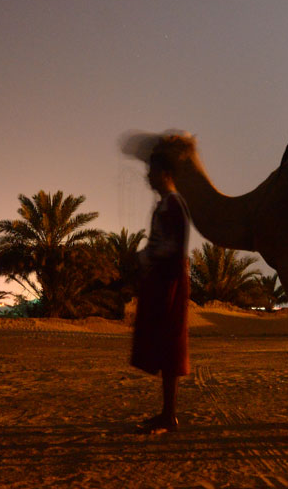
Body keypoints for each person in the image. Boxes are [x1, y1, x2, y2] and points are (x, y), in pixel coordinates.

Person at [130, 151, 191, 434]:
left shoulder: (173, 204)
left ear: (165, 174)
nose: (147, 176)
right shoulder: (167, 204)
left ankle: (170, 415)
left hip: (170, 282)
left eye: (152, 171)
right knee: (165, 347)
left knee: (169, 347)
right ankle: (167, 413)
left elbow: (172, 248)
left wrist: (146, 259)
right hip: (164, 280)